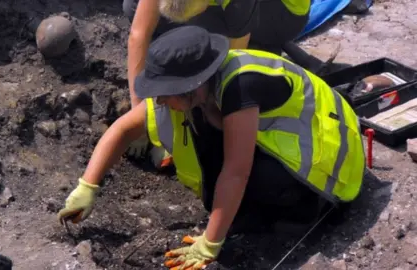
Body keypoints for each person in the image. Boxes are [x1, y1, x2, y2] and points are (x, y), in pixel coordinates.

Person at [57, 26, 365, 270]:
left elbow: (236, 171)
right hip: (286, 141)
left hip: (332, 157)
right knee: (207, 137)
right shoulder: (193, 92)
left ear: (193, 86)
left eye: (165, 93)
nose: (159, 100)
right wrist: (88, 186)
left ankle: (301, 210)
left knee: (260, 176)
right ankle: (250, 212)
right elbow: (123, 129)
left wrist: (210, 242)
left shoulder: (241, 84)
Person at [123, 0, 315, 168]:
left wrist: (200, 117)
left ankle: (263, 43)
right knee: (133, 6)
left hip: (285, 12)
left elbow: (230, 66)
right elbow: (138, 34)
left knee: (205, 29)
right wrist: (139, 117)